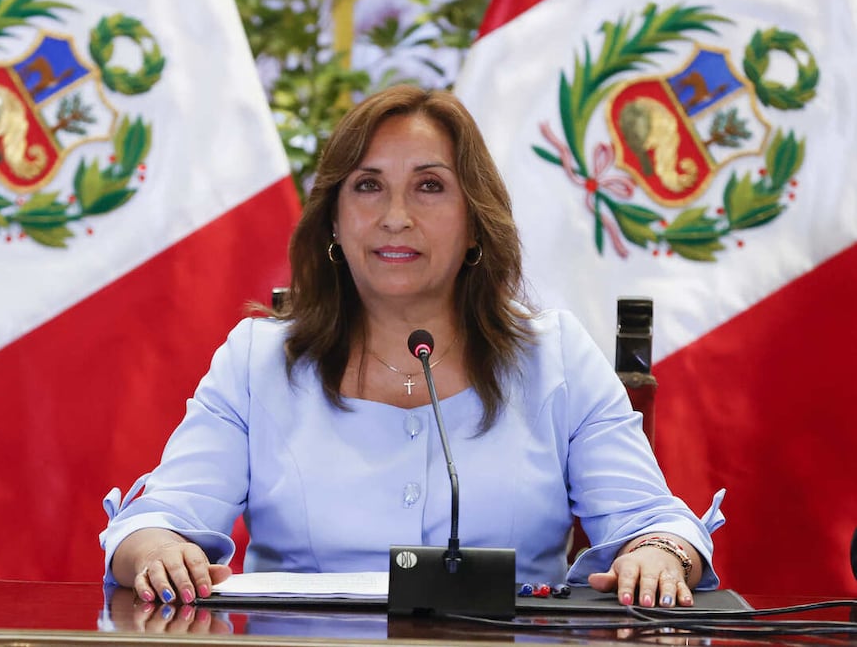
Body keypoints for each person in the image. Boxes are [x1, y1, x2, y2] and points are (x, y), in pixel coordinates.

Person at [100, 84, 724, 609]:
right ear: (335, 222)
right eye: (368, 186)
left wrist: (659, 553)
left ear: (476, 218)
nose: (396, 215)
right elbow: (158, 519)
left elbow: (652, 522)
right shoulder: (258, 360)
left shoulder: (553, 355)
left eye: (429, 187)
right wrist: (157, 549)